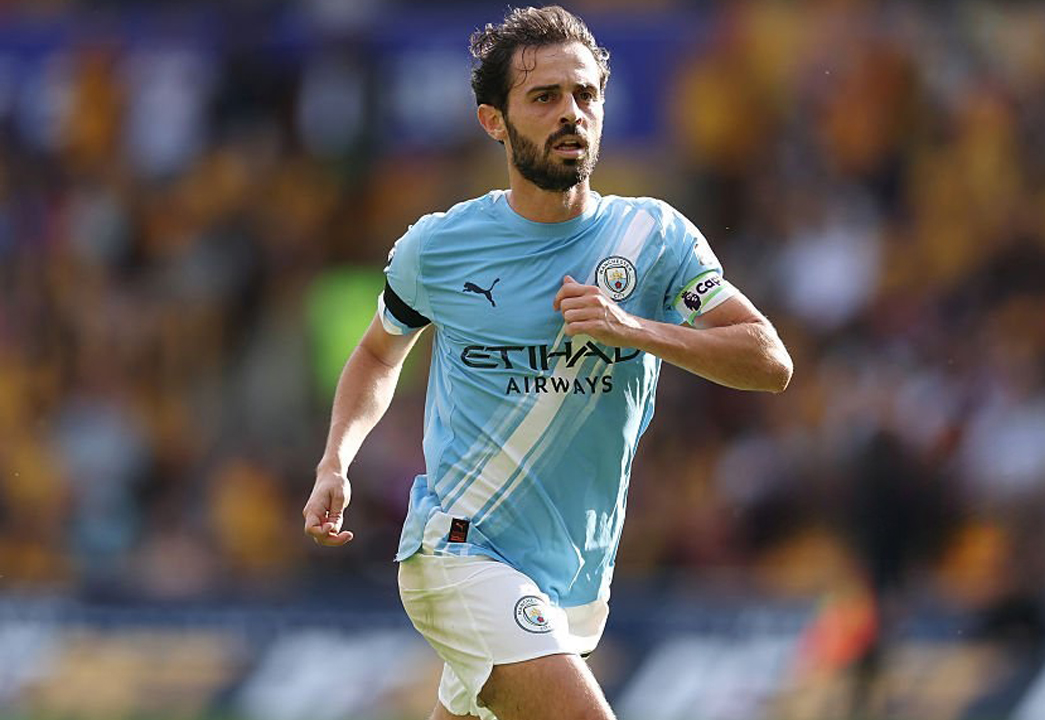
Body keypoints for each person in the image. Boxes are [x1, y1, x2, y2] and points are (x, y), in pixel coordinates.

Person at [301, 6, 793, 719]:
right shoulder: (439, 247)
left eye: (585, 95)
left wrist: (639, 331)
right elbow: (379, 352)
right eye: (544, 98)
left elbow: (769, 360)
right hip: (460, 550)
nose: (571, 113)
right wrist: (335, 461)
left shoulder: (653, 236)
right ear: (493, 121)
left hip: (573, 574)